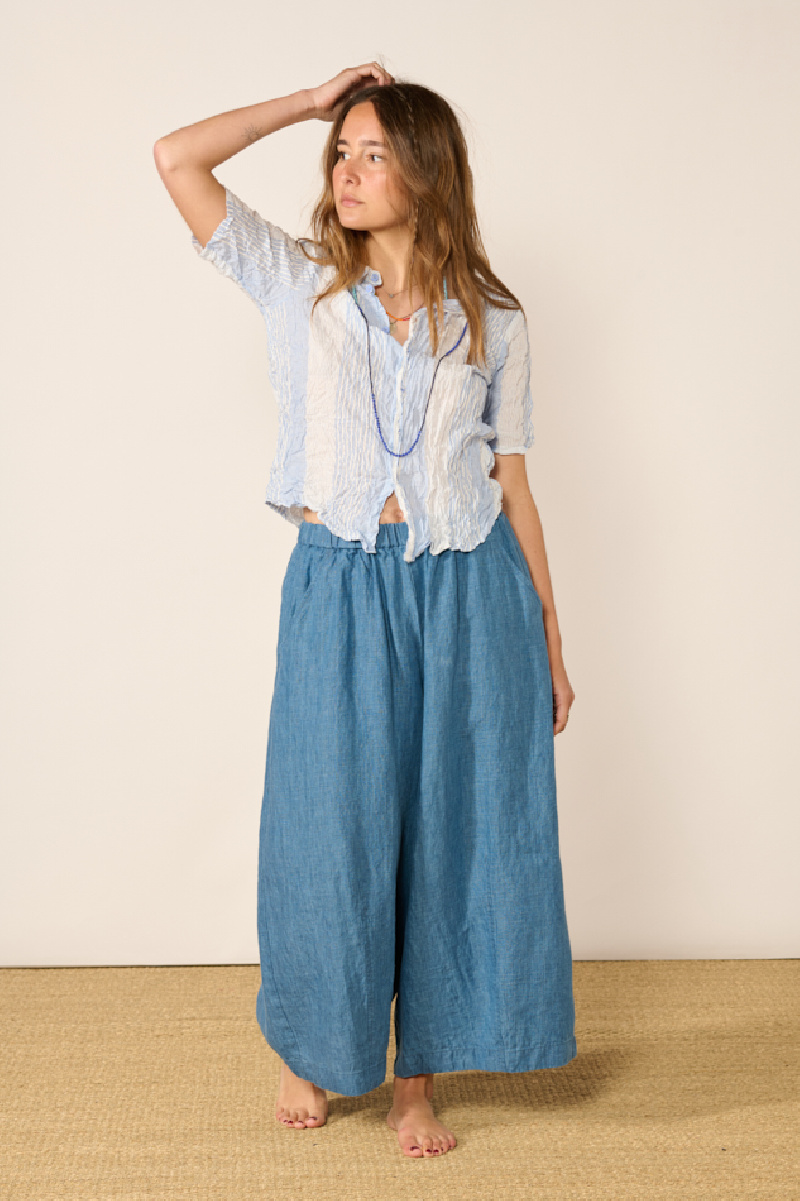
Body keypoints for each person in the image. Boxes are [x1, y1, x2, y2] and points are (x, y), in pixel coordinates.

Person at [154, 62, 577, 1161]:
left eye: (373, 153)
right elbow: (176, 159)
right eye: (339, 153)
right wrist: (308, 103)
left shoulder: (491, 320)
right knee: (326, 823)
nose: (346, 171)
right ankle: (312, 1040)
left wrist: (547, 632)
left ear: (427, 172)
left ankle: (414, 1080)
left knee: (447, 829)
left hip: (467, 590)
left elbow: (514, 484)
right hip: (339, 581)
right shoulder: (295, 287)